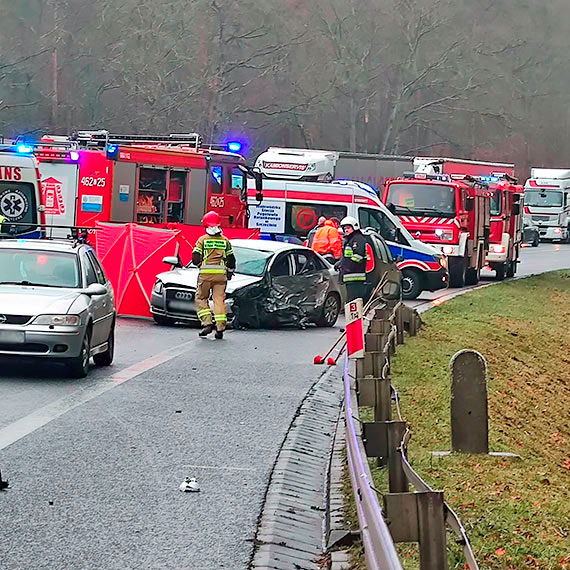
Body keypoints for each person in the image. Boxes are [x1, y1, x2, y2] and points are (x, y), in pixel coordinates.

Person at [192, 211, 236, 339]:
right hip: (221, 276)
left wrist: (200, 263)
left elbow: (195, 257)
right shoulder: (225, 241)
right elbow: (231, 259)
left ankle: (206, 323)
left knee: (201, 298)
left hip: (205, 275)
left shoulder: (202, 240)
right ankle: (220, 328)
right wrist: (230, 271)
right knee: (219, 300)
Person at [339, 216, 368, 302]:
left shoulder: (358, 239)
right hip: (349, 278)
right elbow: (347, 256)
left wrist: (347, 267)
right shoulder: (350, 240)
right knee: (350, 302)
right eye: (344, 228)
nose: (346, 230)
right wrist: (340, 263)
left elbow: (358, 256)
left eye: (348, 228)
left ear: (354, 227)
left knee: (354, 303)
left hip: (355, 277)